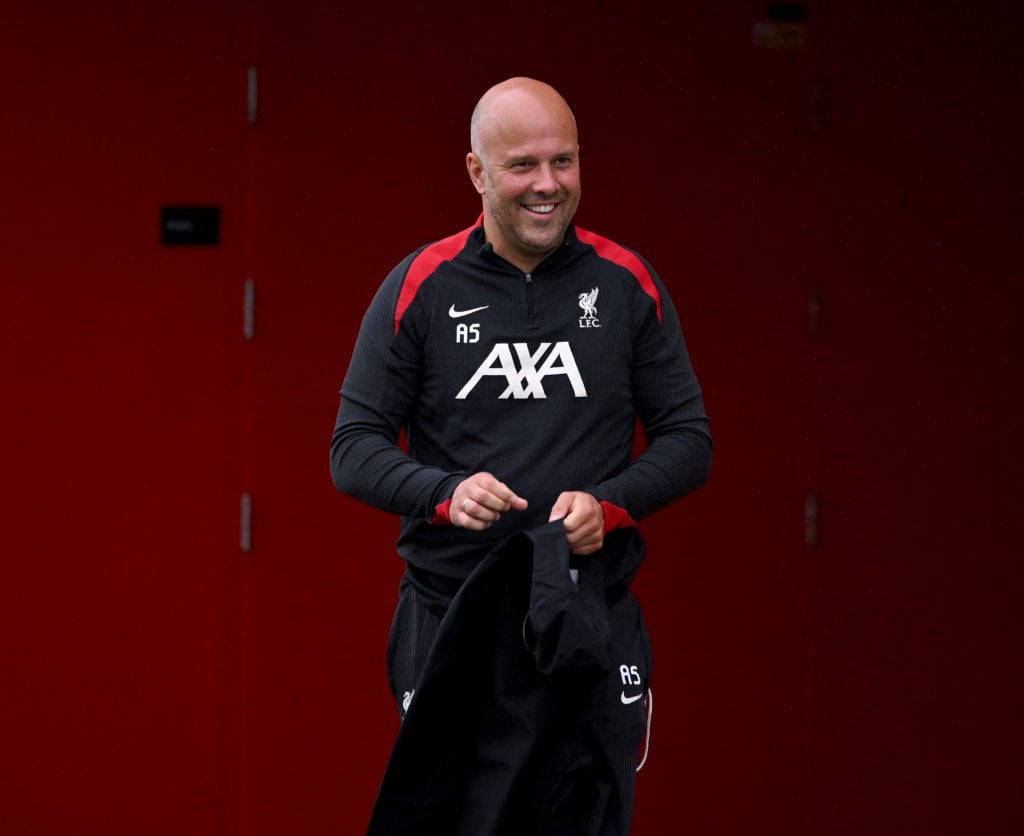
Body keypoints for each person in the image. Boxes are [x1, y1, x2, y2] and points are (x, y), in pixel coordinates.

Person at [330, 77, 712, 835]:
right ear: (475, 172)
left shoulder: (625, 282)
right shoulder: (420, 286)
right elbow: (353, 449)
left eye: (563, 162)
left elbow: (689, 441)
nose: (548, 185)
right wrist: (443, 493)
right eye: (523, 166)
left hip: (585, 618)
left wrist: (609, 505)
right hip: (453, 621)